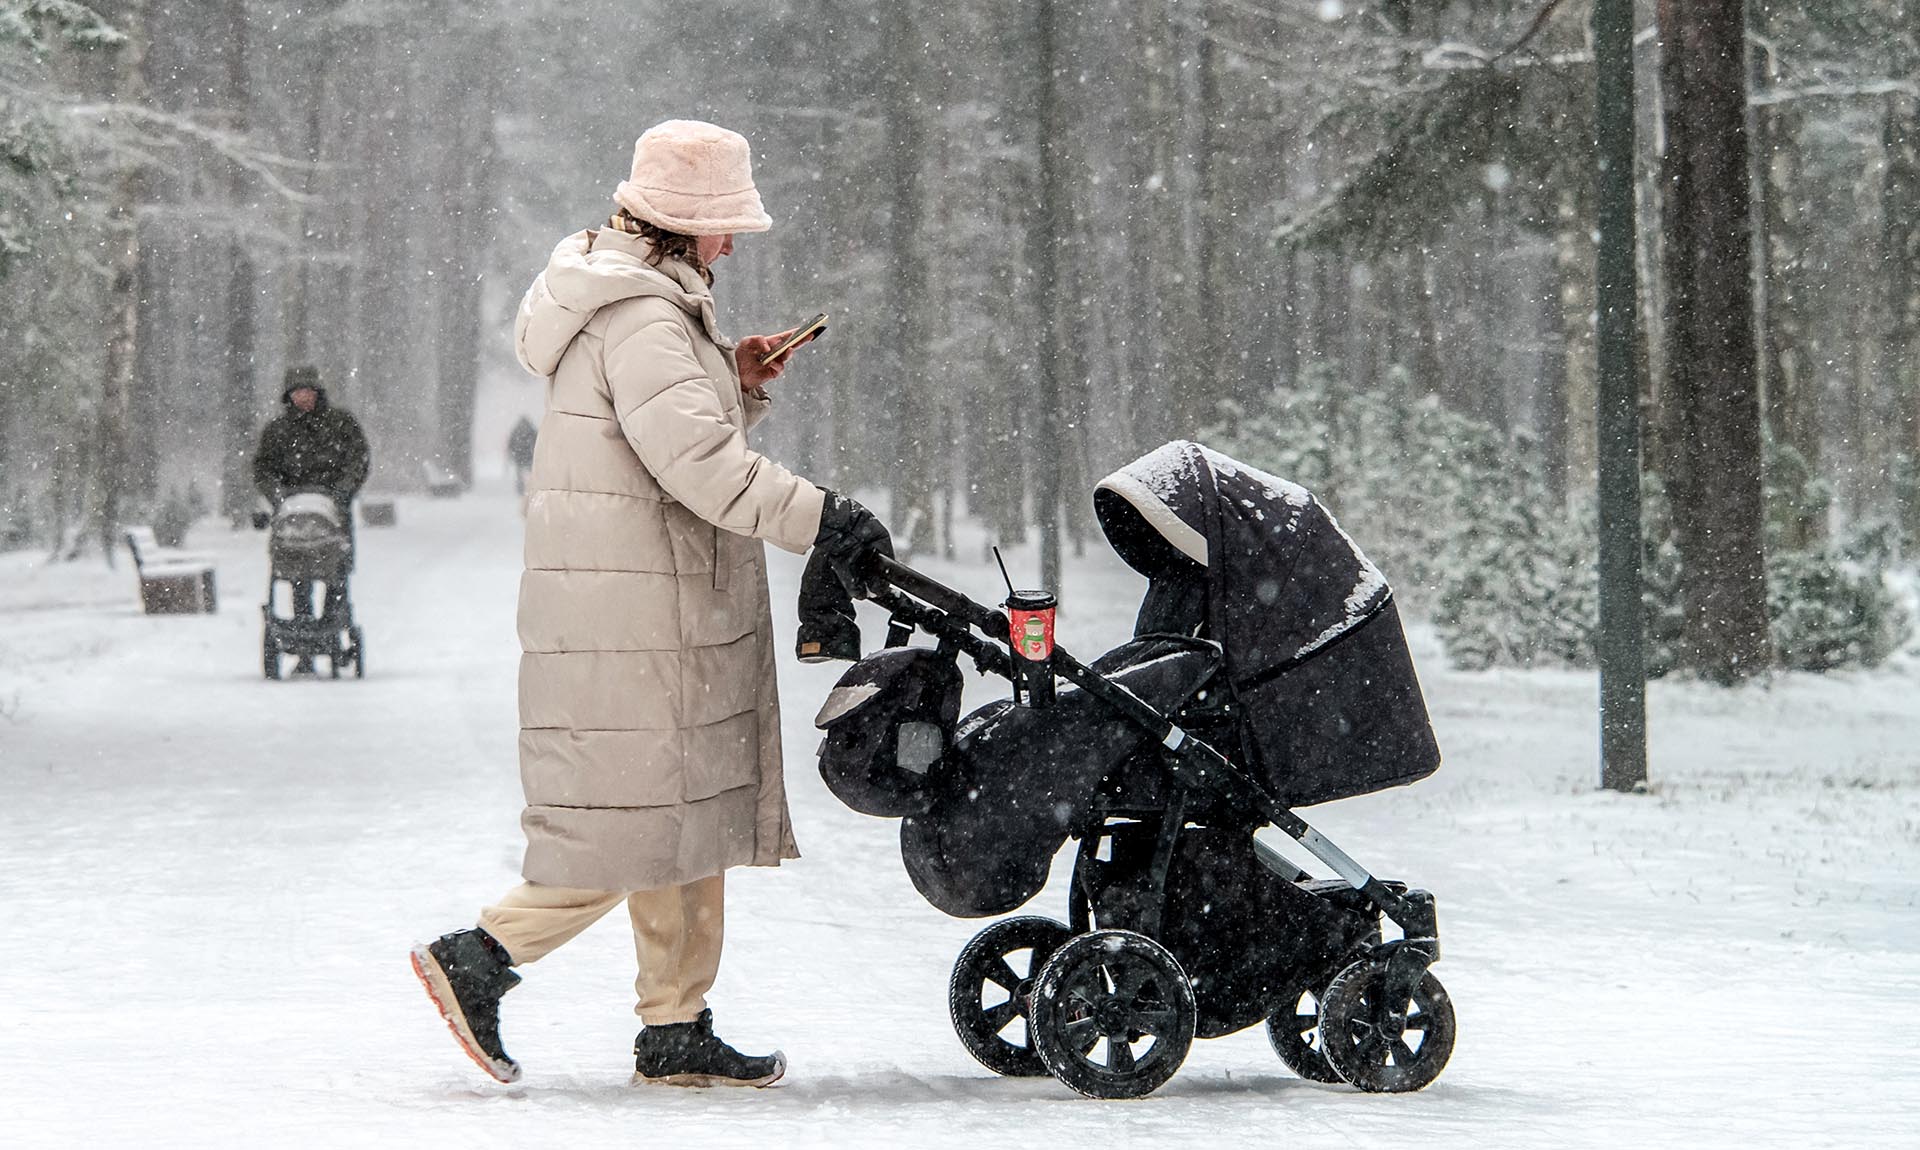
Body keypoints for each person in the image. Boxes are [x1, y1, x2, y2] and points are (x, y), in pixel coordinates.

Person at [409, 119, 891, 1089]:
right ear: (679, 227)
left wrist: (735, 378)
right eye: (722, 227)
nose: (733, 244)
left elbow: (665, 439)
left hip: (648, 597)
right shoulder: (644, 317)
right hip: (638, 611)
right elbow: (703, 469)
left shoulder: (642, 301)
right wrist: (824, 519)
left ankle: (675, 1022)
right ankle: (481, 955)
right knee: (638, 818)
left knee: (687, 809)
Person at [252, 365, 370, 667]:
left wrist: (342, 491)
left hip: (332, 512)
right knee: (296, 575)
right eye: (297, 392)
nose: (303, 397)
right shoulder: (278, 432)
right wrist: (278, 496)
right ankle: (303, 633)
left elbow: (357, 459)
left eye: (308, 391)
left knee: (335, 574)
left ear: (317, 392)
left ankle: (331, 627)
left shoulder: (340, 424)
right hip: (293, 512)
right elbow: (263, 468)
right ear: (289, 396)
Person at [506, 416, 538, 495]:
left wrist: (511, 454)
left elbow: (511, 444)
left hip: (519, 457)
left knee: (519, 474)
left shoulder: (516, 430)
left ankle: (520, 489)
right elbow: (537, 442)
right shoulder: (532, 430)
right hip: (529, 456)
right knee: (532, 473)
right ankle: (532, 487)